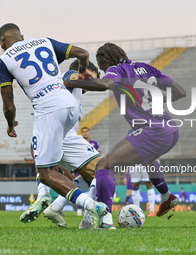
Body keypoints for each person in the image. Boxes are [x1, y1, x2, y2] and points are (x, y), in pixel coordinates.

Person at [0, 23, 107, 229]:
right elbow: (83, 53)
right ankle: (51, 201)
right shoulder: (44, 41)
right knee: (46, 152)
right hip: (70, 107)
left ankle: (89, 206)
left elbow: (9, 104)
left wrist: (10, 124)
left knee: (46, 173)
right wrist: (83, 75)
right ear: (22, 36)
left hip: (47, 109)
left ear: (1, 43)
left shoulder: (3, 60)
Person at [64, 42, 186, 217]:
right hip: (171, 130)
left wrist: (69, 83)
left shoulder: (117, 70)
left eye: (102, 66)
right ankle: (167, 196)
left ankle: (103, 218)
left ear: (106, 60)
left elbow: (106, 84)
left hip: (152, 132)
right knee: (148, 159)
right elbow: (180, 92)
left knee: (103, 165)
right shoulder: (147, 68)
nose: (105, 70)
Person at [41, 60, 115, 229]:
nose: (89, 82)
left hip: (57, 138)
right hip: (64, 138)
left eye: (93, 79)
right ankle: (94, 219)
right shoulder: (70, 78)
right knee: (104, 170)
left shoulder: (73, 91)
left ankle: (57, 207)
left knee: (91, 179)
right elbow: (69, 77)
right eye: (88, 77)